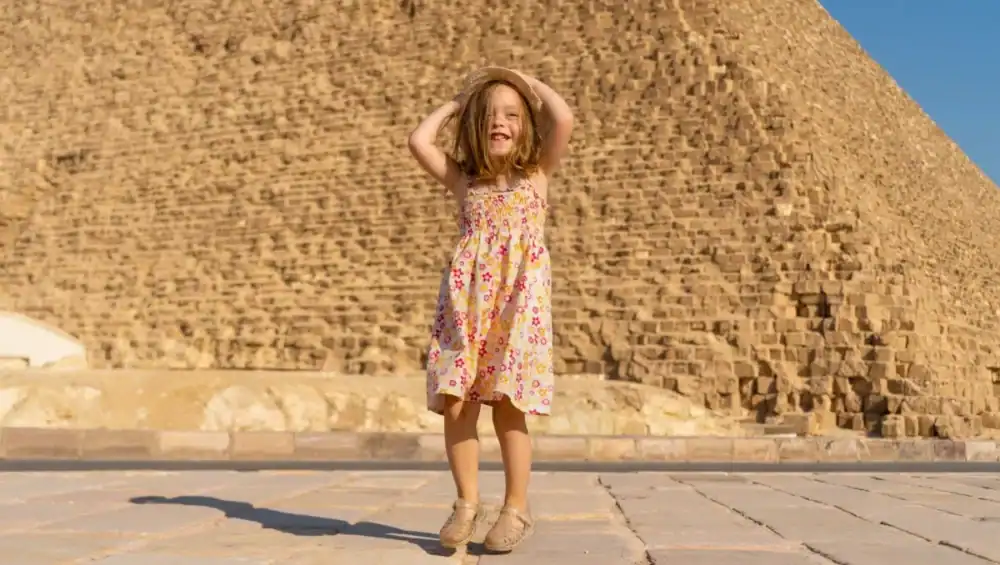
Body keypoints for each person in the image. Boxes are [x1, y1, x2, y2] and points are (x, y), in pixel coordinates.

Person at [407, 66, 573, 553]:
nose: (499, 122)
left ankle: (515, 508)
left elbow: (563, 118)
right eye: (488, 116)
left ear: (528, 126)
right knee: (457, 403)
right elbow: (419, 141)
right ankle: (467, 503)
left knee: (508, 407)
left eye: (512, 115)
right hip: (466, 307)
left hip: (517, 308)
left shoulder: (537, 174)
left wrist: (527, 84)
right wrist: (459, 104)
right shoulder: (464, 181)